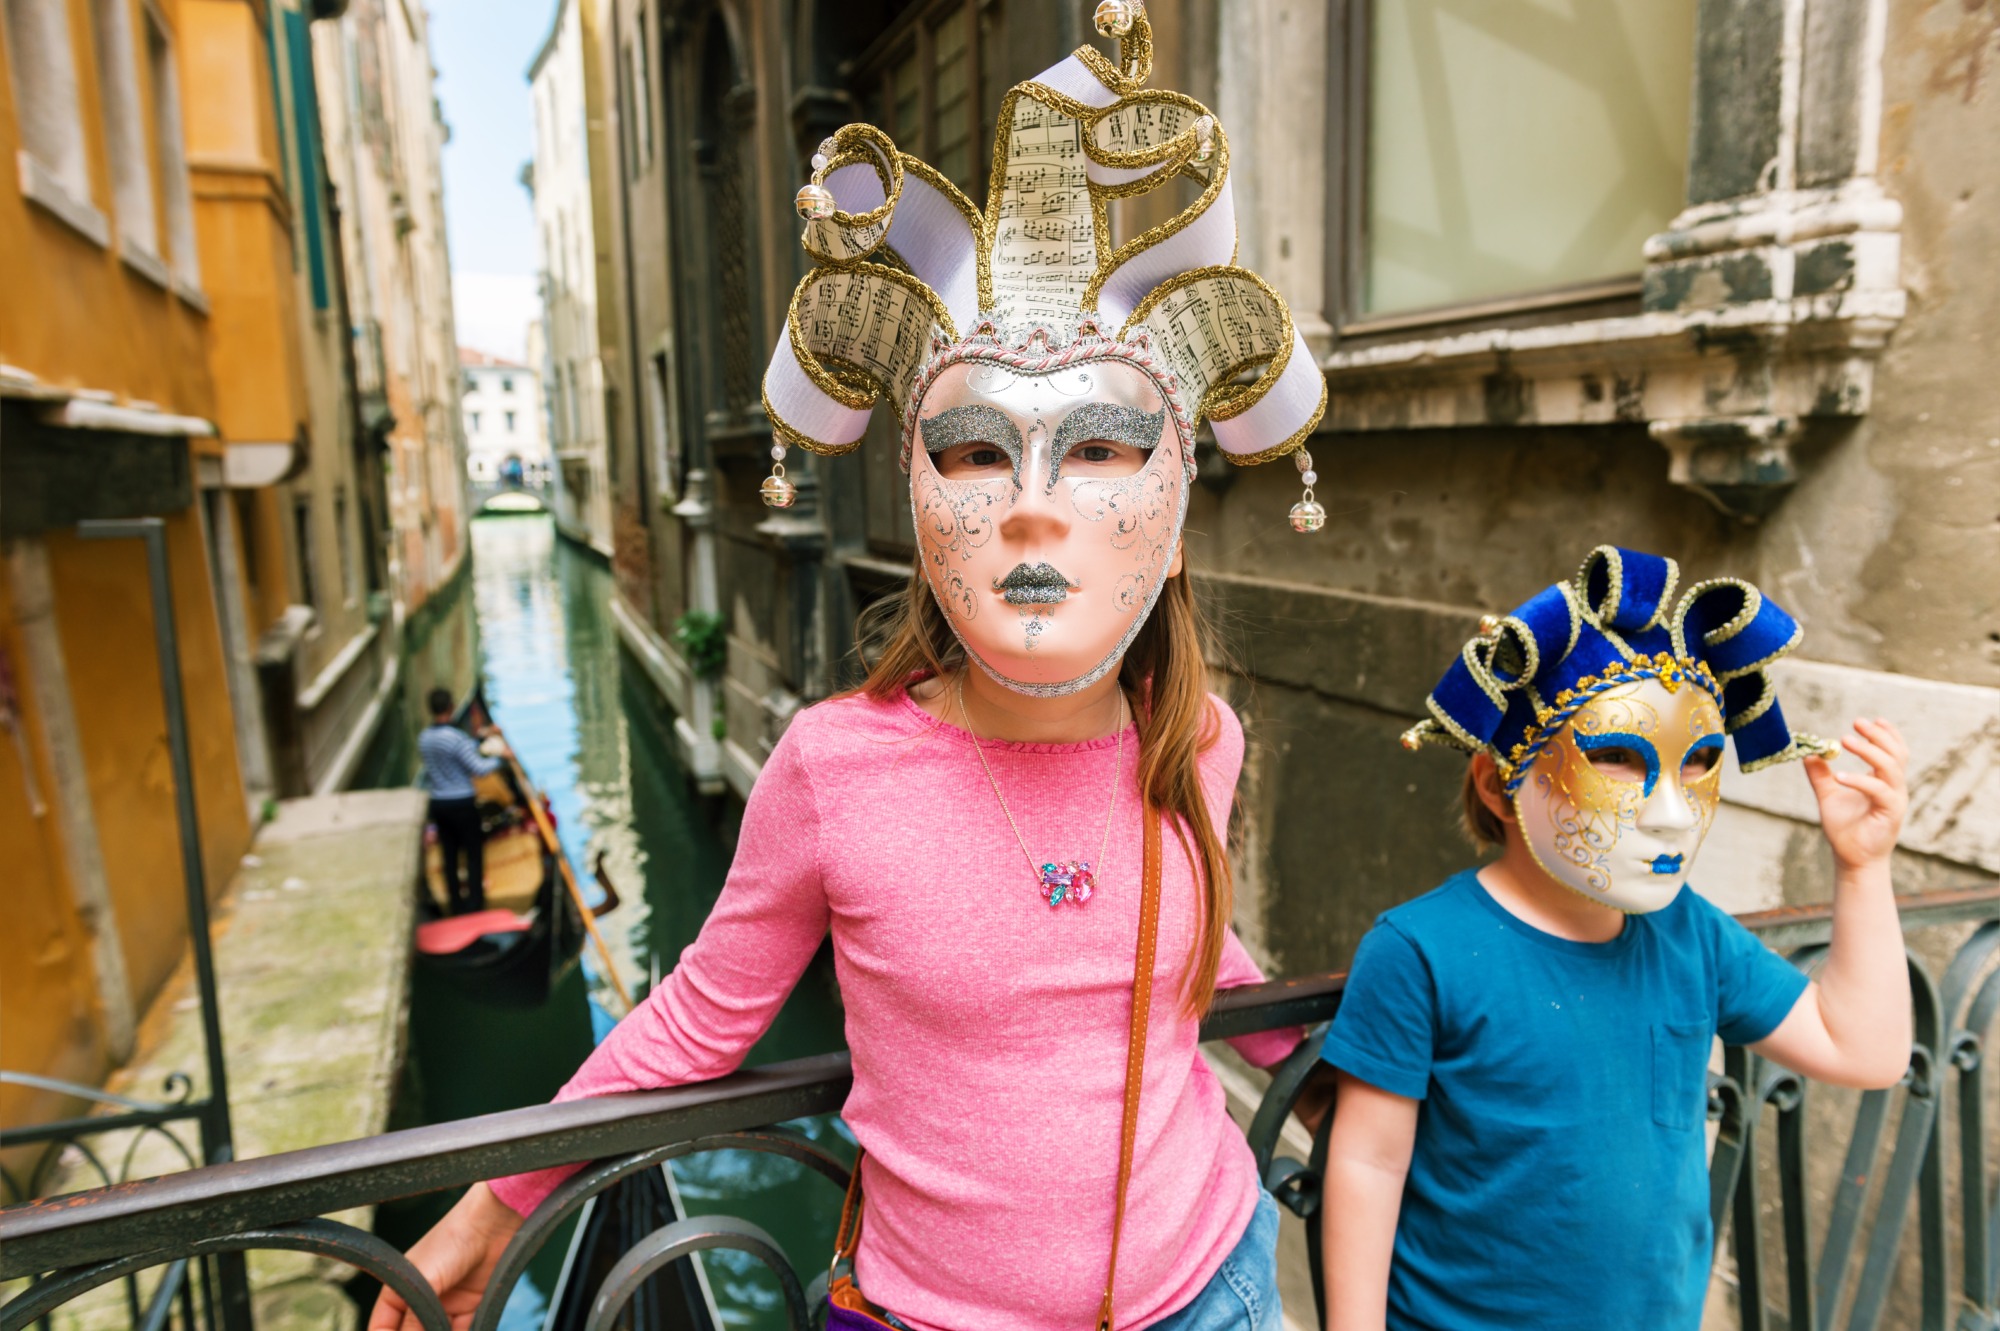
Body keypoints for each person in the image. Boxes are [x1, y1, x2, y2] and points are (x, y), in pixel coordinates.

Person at [369, 13, 1330, 1331]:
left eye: (1100, 450)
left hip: (1211, 1283)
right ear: (925, 498)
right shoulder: (836, 766)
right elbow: (696, 1019)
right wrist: (494, 1205)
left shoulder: (1195, 736)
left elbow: (1196, 947)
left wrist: (1331, 1065)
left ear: (1168, 514)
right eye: (976, 452)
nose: (1032, 505)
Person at [1320, 546, 1914, 1331]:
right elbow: (1367, 1163)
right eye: (1616, 758)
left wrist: (1863, 866)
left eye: (1699, 762)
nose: (1671, 812)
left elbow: (1864, 1050)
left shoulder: (1689, 932)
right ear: (1499, 783)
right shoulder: (1419, 951)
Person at [418, 687, 505, 916]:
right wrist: (501, 759)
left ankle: (456, 906)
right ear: (451, 707)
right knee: (473, 853)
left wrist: (480, 738)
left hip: (438, 804)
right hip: (462, 803)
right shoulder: (456, 738)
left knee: (450, 855)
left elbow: (458, 753)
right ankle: (475, 904)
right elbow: (479, 768)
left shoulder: (424, 738)